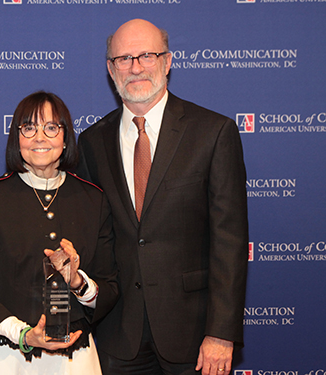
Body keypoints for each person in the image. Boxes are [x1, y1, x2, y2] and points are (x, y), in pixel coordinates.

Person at [76, 19, 249, 375]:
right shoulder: (91, 142)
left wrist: (221, 333)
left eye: (147, 55)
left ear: (168, 62)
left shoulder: (213, 132)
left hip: (195, 336)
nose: (135, 67)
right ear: (111, 69)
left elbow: (230, 242)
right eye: (123, 58)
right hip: (117, 336)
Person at [0, 91, 119, 375]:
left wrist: (77, 282)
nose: (40, 137)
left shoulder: (94, 200)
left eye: (51, 127)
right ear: (16, 137)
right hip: (2, 358)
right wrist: (23, 335)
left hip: (74, 360)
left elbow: (110, 288)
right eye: (29, 127)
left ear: (66, 137)